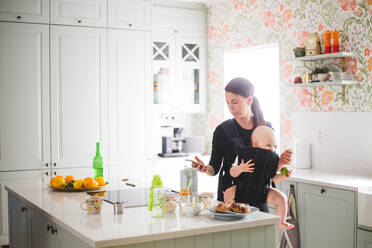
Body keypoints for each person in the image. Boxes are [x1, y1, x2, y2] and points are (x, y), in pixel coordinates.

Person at [190, 77, 292, 213]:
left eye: (235, 102)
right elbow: (214, 168)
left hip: (259, 198)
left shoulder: (266, 128)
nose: (231, 108)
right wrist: (205, 168)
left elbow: (269, 167)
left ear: (249, 100)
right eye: (227, 103)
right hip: (229, 200)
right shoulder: (223, 130)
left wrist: (282, 161)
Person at [224, 125, 294, 230]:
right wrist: (240, 168)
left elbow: (274, 178)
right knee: (228, 193)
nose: (272, 149)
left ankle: (281, 221)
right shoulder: (243, 155)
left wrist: (283, 175)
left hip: (263, 192)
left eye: (274, 146)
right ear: (256, 143)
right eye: (268, 145)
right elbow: (231, 172)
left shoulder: (270, 161)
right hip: (242, 191)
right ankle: (230, 213)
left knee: (282, 198)